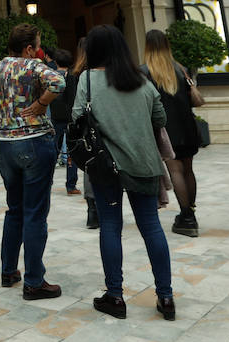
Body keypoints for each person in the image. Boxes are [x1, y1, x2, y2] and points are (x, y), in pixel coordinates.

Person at [74, 25, 174, 321]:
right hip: (143, 163)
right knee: (151, 227)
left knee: (110, 225)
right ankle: (166, 296)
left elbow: (78, 116)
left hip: (106, 166)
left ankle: (115, 296)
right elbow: (161, 117)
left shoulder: (88, 80)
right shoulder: (141, 80)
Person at [0, 24, 66, 300]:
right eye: (36, 46)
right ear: (28, 49)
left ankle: (9, 270)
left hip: (3, 146)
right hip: (34, 141)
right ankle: (34, 281)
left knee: (14, 208)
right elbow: (59, 81)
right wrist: (40, 103)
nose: (38, 51)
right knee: (35, 212)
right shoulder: (32, 67)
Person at [140, 30, 203, 238]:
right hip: (187, 125)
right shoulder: (181, 69)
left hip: (167, 128)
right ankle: (190, 212)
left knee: (175, 170)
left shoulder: (144, 71)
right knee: (188, 170)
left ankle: (186, 217)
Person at [46, 47, 81, 196]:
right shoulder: (72, 76)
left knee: (53, 150)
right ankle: (71, 185)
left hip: (55, 118)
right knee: (71, 151)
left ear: (56, 61)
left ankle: (47, 182)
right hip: (70, 119)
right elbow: (74, 97)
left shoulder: (51, 76)